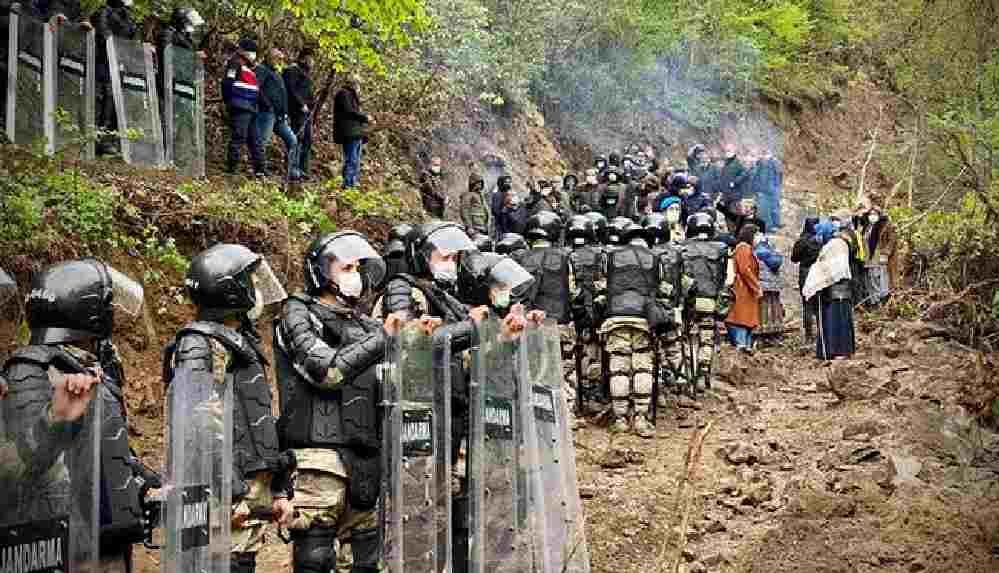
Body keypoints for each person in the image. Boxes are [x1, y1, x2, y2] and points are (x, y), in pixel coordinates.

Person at [274, 232, 409, 573]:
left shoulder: (362, 322)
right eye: (346, 267)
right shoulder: (297, 314)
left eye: (358, 268)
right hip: (317, 460)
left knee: (366, 561)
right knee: (316, 559)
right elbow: (326, 372)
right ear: (321, 271)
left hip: (365, 455)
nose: (355, 275)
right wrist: (383, 337)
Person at [3, 259, 146, 573]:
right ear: (88, 312)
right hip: (67, 550)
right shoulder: (30, 369)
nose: (112, 313)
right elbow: (25, 460)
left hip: (106, 539)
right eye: (108, 305)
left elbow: (103, 445)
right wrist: (55, 418)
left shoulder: (88, 365)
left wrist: (142, 481)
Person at [163, 244, 295, 573]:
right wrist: (228, 494)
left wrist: (277, 489)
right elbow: (199, 426)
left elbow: (257, 422)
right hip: (220, 499)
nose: (256, 288)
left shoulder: (235, 340)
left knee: (241, 563)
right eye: (249, 281)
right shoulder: (200, 343)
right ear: (230, 290)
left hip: (242, 495)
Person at [598, 218, 669, 437]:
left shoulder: (610, 256)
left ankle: (620, 419)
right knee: (642, 367)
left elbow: (600, 288)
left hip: (616, 317)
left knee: (619, 368)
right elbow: (664, 290)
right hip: (643, 319)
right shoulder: (656, 258)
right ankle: (640, 418)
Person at [680, 212, 729, 390]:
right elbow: (724, 278)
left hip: (688, 300)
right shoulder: (720, 249)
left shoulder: (682, 248)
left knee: (684, 337)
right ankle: (703, 372)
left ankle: (686, 374)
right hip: (709, 299)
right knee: (706, 338)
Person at [642, 213, 685, 405]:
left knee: (652, 350)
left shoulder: (644, 255)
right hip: (670, 309)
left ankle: (658, 389)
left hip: (649, 311)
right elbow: (683, 281)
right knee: (673, 347)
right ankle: (681, 385)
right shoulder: (676, 253)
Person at [566, 215, 606, 415]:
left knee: (576, 356)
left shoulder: (566, 256)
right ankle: (592, 395)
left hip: (573, 314)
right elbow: (605, 285)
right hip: (596, 313)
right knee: (594, 354)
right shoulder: (601, 255)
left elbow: (568, 289)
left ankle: (578, 397)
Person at [92, 0, 138, 156]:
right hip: (103, 63)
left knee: (116, 102)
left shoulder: (126, 17)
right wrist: (112, 42)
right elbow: (102, 32)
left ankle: (111, 139)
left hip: (119, 64)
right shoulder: (103, 12)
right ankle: (97, 140)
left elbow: (131, 38)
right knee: (104, 99)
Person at [804, 221, 856, 359]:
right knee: (831, 321)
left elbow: (836, 267)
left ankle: (839, 351)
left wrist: (818, 273)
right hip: (831, 289)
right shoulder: (835, 244)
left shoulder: (836, 244)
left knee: (837, 322)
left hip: (838, 289)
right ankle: (830, 351)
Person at [255, 48, 301, 180]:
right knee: (263, 141)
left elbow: (281, 94)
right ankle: (260, 170)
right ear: (269, 57)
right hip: (267, 114)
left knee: (292, 140)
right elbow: (257, 88)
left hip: (280, 116)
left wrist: (284, 112)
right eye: (277, 58)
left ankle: (292, 171)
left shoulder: (276, 72)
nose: (279, 61)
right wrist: (267, 105)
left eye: (280, 59)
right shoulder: (262, 69)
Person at [222, 38, 264, 176]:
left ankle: (260, 171)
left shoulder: (250, 70)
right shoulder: (234, 63)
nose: (254, 56)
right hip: (240, 106)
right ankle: (231, 169)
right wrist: (229, 101)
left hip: (251, 108)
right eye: (252, 52)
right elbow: (227, 84)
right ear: (244, 52)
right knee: (239, 137)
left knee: (256, 141)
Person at [283, 48, 315, 180]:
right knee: (297, 138)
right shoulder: (292, 70)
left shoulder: (305, 73)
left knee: (307, 140)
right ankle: (293, 169)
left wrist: (311, 105)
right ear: (304, 58)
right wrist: (301, 104)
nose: (312, 62)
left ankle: (304, 170)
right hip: (297, 111)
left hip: (306, 113)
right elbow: (291, 90)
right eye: (311, 58)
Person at [856, 205, 898, 305]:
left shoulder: (886, 226)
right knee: (870, 279)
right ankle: (874, 300)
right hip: (867, 257)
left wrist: (886, 253)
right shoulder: (867, 227)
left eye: (875, 214)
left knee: (879, 277)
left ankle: (883, 298)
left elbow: (892, 240)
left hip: (879, 256)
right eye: (870, 214)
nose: (872, 216)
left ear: (879, 215)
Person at [333, 74, 370, 188]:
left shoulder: (351, 95)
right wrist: (364, 117)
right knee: (351, 160)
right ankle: (347, 185)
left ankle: (352, 184)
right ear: (353, 83)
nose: (359, 87)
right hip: (349, 133)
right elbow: (348, 111)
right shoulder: (343, 93)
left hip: (355, 133)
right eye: (357, 84)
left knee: (356, 161)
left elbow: (353, 112)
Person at [791, 217, 822, 342]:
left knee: (807, 304)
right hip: (819, 273)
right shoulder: (821, 240)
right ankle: (821, 333)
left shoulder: (801, 241)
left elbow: (794, 258)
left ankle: (809, 335)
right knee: (819, 304)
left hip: (805, 273)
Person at [753, 232, 784, 344]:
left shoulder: (757, 252)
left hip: (763, 285)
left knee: (763, 308)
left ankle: (762, 332)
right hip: (775, 286)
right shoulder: (774, 253)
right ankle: (776, 331)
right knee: (775, 307)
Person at [755, 150, 784, 231]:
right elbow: (755, 176)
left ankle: (776, 223)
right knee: (765, 209)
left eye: (767, 154)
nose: (765, 157)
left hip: (773, 189)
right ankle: (768, 226)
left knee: (775, 206)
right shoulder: (759, 164)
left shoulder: (774, 162)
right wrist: (757, 189)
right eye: (764, 155)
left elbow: (780, 175)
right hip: (763, 190)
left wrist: (777, 186)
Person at [460, 171, 490, 235]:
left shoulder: (480, 196)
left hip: (483, 227)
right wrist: (469, 226)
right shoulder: (468, 195)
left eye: (481, 182)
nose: (480, 184)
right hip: (474, 228)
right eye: (478, 182)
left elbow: (484, 211)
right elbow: (464, 210)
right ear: (473, 184)